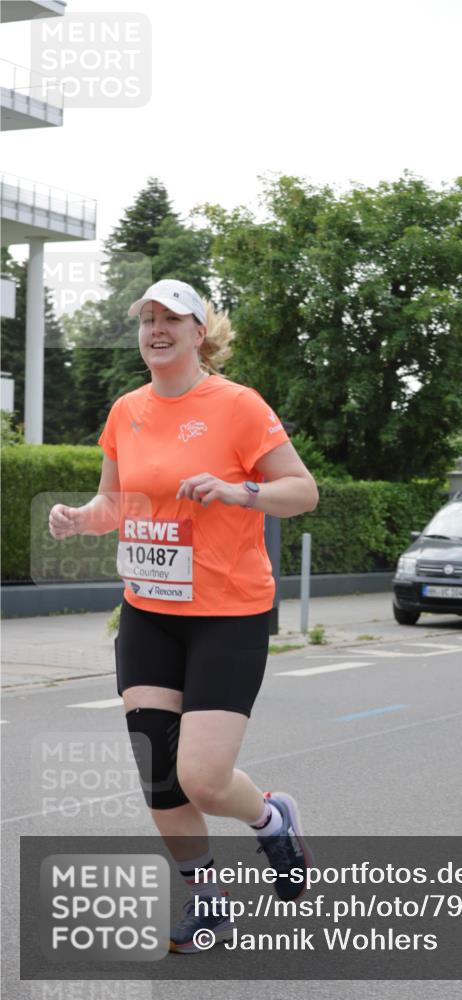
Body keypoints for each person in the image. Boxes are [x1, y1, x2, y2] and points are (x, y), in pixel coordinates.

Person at [48, 279, 319, 954]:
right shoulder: (125, 411)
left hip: (228, 611)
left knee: (202, 776)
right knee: (159, 774)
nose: (156, 328)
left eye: (172, 318)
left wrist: (237, 490)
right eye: (147, 318)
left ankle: (268, 818)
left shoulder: (237, 406)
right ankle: (209, 903)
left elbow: (302, 491)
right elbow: (116, 503)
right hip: (147, 610)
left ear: (201, 332)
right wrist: (82, 518)